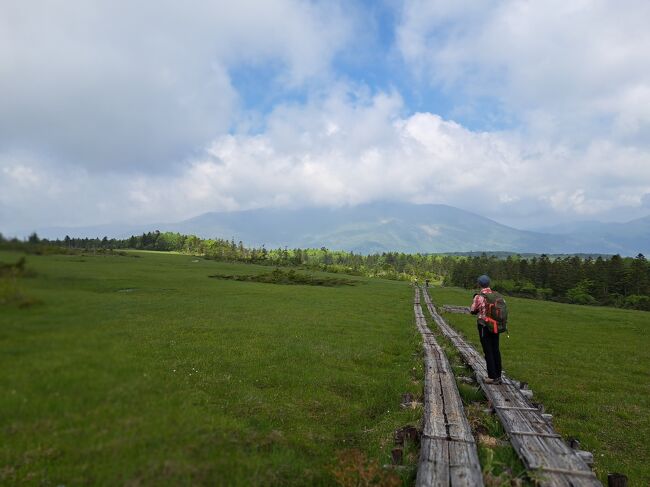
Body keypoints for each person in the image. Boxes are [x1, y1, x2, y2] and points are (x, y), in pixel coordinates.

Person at [470, 275, 502, 384]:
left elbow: (473, 310)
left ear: (479, 284)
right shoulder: (497, 295)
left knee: (488, 350)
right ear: (489, 284)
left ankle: (492, 377)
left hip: (484, 325)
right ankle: (498, 375)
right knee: (495, 349)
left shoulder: (479, 296)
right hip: (496, 325)